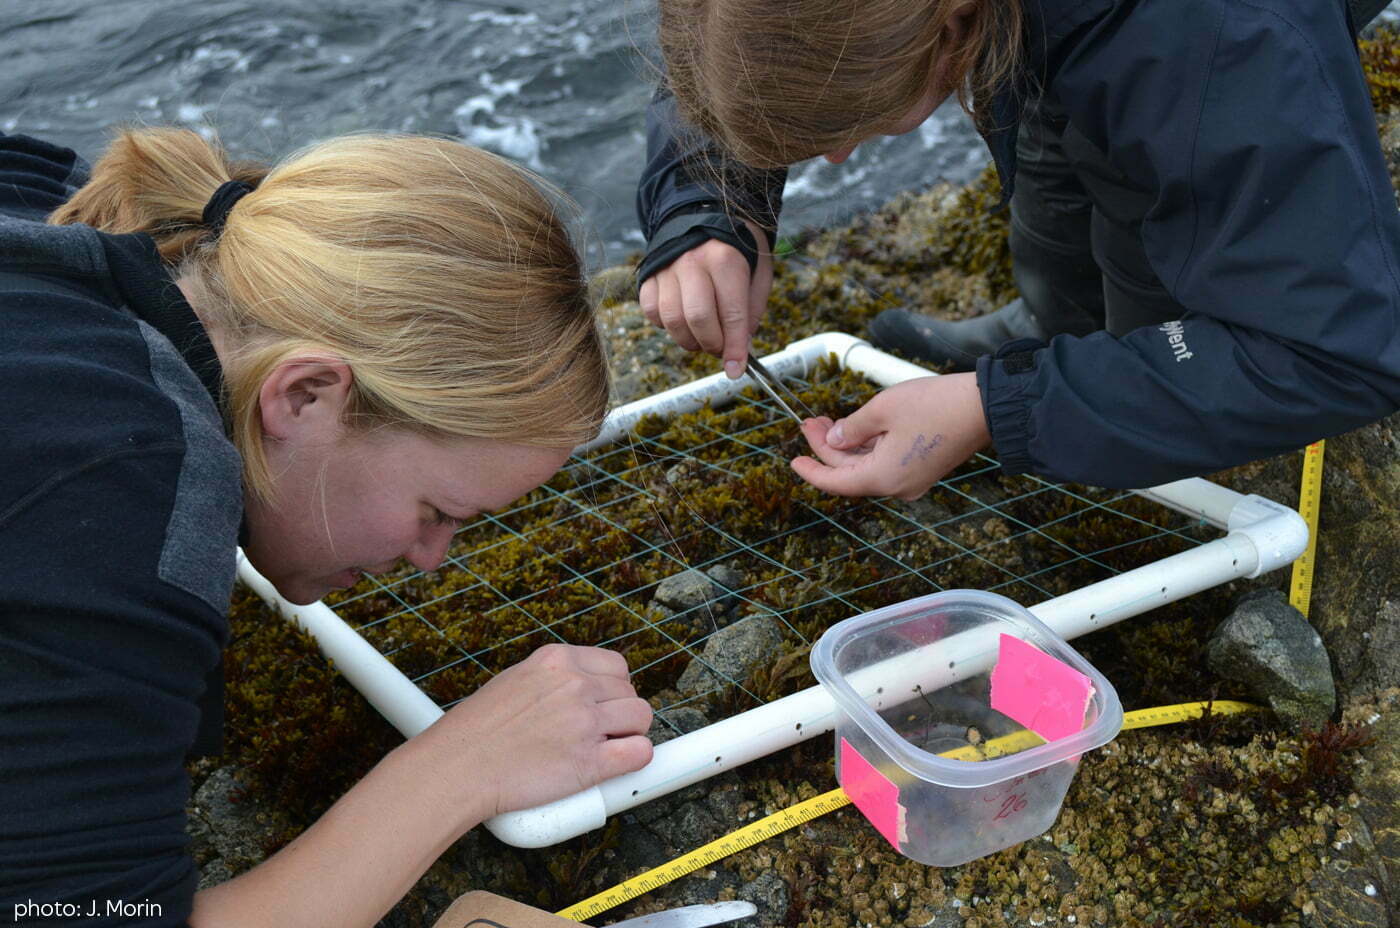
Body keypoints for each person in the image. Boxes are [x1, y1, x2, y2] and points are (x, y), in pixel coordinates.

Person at [0, 127, 653, 926]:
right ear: (304, 395)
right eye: (437, 512)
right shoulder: (124, 479)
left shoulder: (50, 195)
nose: (431, 562)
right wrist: (463, 764)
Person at [634, 0, 1400, 498]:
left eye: (854, 127)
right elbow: (725, 28)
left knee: (1171, 304)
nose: (833, 159)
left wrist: (996, 410)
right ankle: (1059, 330)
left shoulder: (1215, 41)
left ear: (952, 24)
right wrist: (708, 203)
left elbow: (1333, 348)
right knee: (1045, 95)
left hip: (1196, 35)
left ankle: (1100, 365)